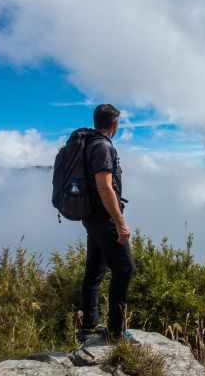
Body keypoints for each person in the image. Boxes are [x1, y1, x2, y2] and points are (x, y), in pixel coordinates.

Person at [79, 104, 134, 342]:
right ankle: (115, 332)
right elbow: (104, 186)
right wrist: (120, 222)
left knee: (95, 269)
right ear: (114, 123)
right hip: (104, 218)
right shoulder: (102, 146)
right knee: (125, 269)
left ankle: (89, 326)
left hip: (92, 216)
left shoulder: (88, 143)